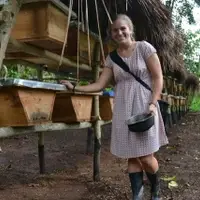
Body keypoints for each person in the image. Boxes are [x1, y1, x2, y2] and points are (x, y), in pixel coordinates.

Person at [61, 14, 168, 200]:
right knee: (132, 156)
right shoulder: (112, 58)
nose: (119, 33)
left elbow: (158, 77)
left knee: (146, 157)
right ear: (111, 34)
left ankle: (156, 189)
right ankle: (137, 196)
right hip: (123, 109)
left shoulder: (144, 48)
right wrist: (76, 88)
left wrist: (153, 103)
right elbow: (100, 85)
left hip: (145, 106)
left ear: (130, 29)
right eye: (115, 30)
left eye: (122, 28)